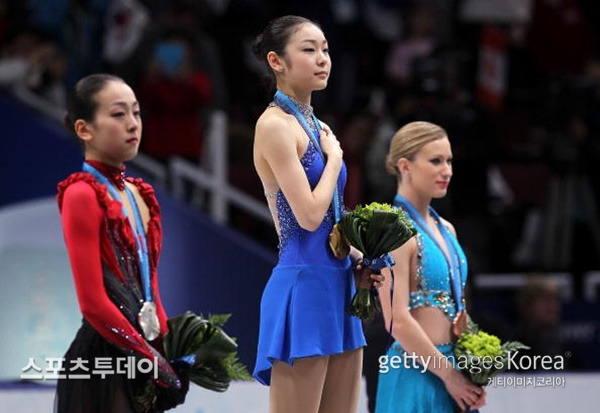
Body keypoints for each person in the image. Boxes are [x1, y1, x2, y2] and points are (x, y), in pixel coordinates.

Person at [251, 15, 381, 413]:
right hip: (303, 284)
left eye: (325, 49)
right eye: (308, 50)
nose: (322, 58)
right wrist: (336, 158)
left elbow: (331, 216)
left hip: (340, 284)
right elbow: (308, 215)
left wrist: (358, 253)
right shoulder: (274, 126)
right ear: (277, 61)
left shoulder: (318, 126)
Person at [55, 73, 188, 413]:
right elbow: (93, 303)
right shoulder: (81, 194)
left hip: (141, 354)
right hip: (102, 358)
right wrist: (151, 358)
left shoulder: (140, 193)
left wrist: (168, 346)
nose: (133, 124)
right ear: (84, 129)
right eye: (118, 114)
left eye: (137, 112)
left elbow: (150, 287)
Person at [375, 121, 486, 412]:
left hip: (452, 374)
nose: (446, 170)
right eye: (435, 161)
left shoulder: (447, 228)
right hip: (413, 376)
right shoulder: (393, 228)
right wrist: (450, 376)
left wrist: (473, 369)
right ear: (405, 166)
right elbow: (395, 320)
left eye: (449, 161)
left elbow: (457, 306)